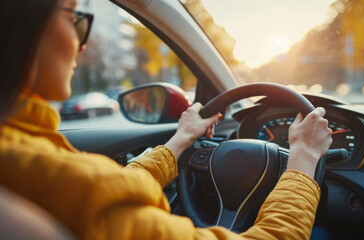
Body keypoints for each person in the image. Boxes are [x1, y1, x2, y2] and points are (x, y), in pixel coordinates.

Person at [0, 0, 332, 239]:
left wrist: (180, 139)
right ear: (20, 24)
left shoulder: (24, 156)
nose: (82, 44)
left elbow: (112, 187)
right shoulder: (63, 187)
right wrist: (302, 159)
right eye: (75, 17)